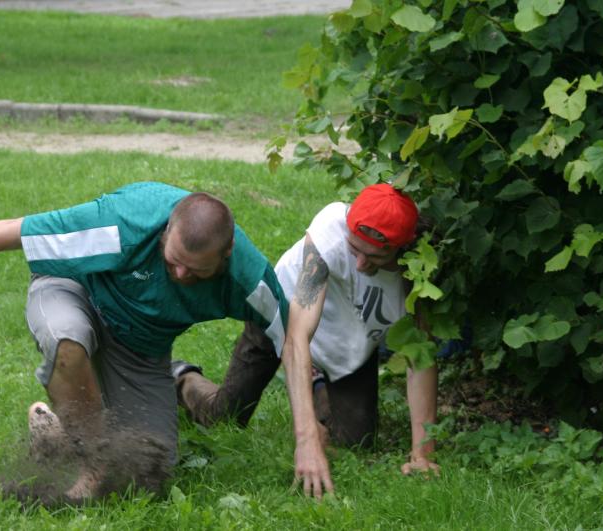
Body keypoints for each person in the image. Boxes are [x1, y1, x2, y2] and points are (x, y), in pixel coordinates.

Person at [0, 181, 289, 502]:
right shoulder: (125, 223)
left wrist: (309, 434)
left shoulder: (248, 277)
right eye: (173, 262)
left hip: (140, 347)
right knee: (69, 341)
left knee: (146, 475)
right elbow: (13, 231)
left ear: (226, 254)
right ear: (164, 233)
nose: (180, 275)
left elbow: (293, 337)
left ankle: (53, 430)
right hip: (72, 293)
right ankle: (92, 465)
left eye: (195, 272)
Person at [174, 183, 439, 499]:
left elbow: (420, 359)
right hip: (283, 320)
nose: (360, 265)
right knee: (225, 417)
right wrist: (307, 438)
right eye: (354, 249)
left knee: (356, 442)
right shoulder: (331, 229)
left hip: (347, 346)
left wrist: (423, 453)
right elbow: (296, 338)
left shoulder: (418, 274)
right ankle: (181, 377)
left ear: (402, 246)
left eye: (375, 256)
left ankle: (313, 383)